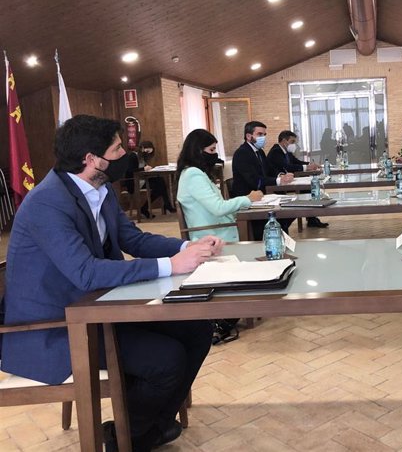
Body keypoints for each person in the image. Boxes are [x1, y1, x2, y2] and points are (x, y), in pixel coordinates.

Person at [1, 115, 221, 452]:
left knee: (197, 330)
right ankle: (131, 434)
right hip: (58, 327)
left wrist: (186, 247)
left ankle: (138, 427)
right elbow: (86, 273)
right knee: (166, 360)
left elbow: (133, 239)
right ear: (91, 159)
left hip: (98, 310)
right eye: (117, 148)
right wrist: (171, 266)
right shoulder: (47, 203)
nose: (125, 153)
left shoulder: (98, 189)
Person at [177, 128, 263, 242]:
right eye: (211, 150)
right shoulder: (193, 175)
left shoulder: (195, 173)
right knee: (259, 229)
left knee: (258, 226)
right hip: (213, 235)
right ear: (197, 151)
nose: (214, 154)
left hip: (217, 229)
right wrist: (247, 198)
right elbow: (218, 208)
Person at [231, 121, 294, 239]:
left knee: (287, 211)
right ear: (249, 136)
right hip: (248, 200)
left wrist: (281, 175)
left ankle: (282, 244)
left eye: (264, 134)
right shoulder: (242, 153)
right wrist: (278, 181)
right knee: (281, 217)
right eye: (259, 134)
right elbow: (254, 181)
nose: (263, 138)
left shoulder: (259, 151)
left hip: (261, 197)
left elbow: (269, 170)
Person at [267, 130, 328, 228]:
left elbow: (296, 162)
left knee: (308, 188)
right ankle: (300, 219)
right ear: (284, 141)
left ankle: (311, 218)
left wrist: (310, 165)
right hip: (277, 183)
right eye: (292, 142)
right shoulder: (276, 151)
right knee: (307, 190)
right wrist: (306, 168)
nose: (294, 145)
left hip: (287, 181)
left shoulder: (286, 151)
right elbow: (287, 167)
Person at [125, 140, 176, 218]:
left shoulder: (141, 157)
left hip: (142, 179)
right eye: (147, 151)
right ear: (143, 148)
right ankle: (165, 205)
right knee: (160, 185)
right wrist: (143, 169)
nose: (147, 154)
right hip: (133, 182)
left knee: (160, 181)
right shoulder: (133, 156)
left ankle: (147, 208)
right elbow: (130, 170)